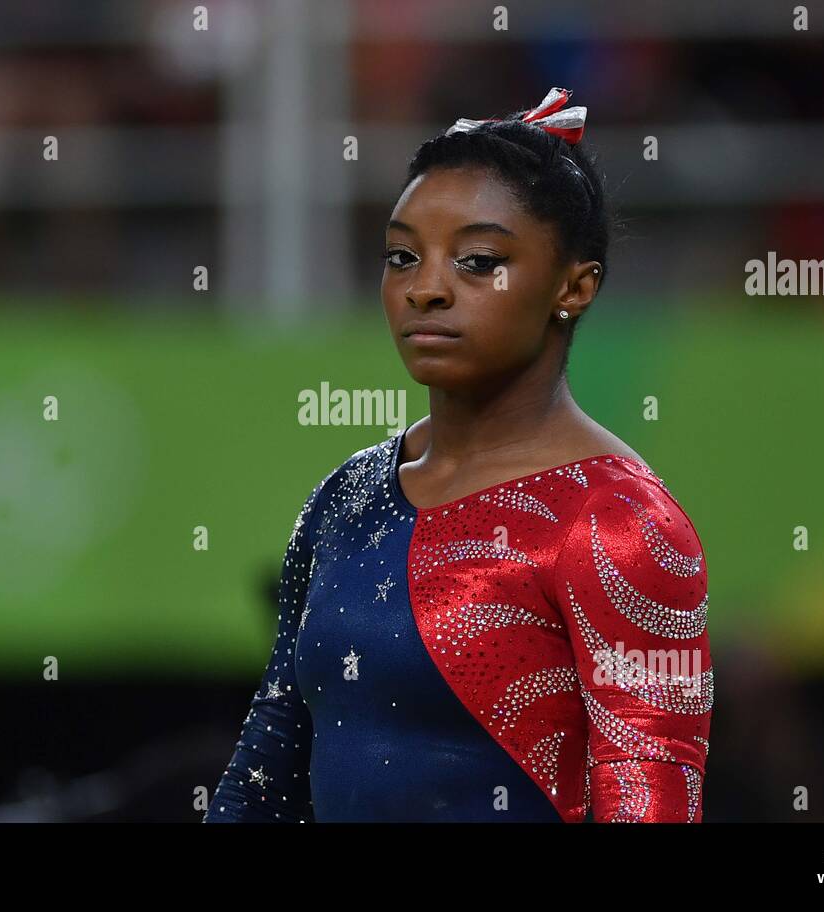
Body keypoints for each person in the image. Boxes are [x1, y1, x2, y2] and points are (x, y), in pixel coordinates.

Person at [204, 88, 712, 822]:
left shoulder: (619, 523)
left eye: (478, 261)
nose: (426, 289)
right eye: (402, 256)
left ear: (575, 285)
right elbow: (265, 766)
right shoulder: (347, 496)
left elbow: (653, 805)